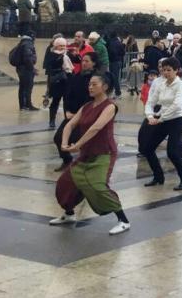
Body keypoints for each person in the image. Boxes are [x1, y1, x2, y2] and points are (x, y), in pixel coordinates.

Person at [49, 73, 131, 235]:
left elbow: (96, 128)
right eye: (89, 84)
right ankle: (69, 214)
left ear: (105, 87)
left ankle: (123, 220)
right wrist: (65, 143)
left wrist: (77, 145)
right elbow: (70, 124)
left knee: (98, 186)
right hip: (86, 153)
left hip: (104, 153)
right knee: (65, 183)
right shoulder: (86, 106)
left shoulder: (110, 106)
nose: (90, 87)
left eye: (94, 84)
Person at [141, 57, 182, 190]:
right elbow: (151, 101)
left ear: (176, 71)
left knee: (172, 152)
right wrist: (150, 116)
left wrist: (160, 118)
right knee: (148, 148)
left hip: (176, 119)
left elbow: (176, 104)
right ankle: (158, 177)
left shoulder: (181, 85)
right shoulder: (161, 84)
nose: (166, 73)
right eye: (164, 70)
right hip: (162, 118)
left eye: (169, 70)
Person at [56, 52, 97, 170]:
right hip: (71, 115)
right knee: (58, 138)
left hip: (86, 116)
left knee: (81, 139)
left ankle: (86, 163)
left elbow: (92, 99)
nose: (84, 63)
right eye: (83, 61)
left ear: (94, 63)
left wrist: (79, 114)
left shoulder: (96, 79)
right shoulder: (76, 77)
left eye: (87, 61)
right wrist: (67, 111)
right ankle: (67, 159)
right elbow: (67, 94)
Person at [43, 37, 72, 129]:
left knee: (57, 102)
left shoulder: (51, 54)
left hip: (55, 81)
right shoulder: (63, 56)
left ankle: (52, 121)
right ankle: (64, 120)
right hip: (62, 80)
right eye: (60, 46)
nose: (62, 47)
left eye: (64, 45)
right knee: (63, 102)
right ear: (56, 46)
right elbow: (69, 69)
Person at [13, 32, 38, 111]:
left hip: (21, 68)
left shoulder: (22, 43)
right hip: (26, 69)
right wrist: (32, 69)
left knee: (22, 87)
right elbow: (27, 58)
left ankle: (22, 106)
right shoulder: (28, 44)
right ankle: (28, 105)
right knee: (27, 87)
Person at [106, 32, 125, 97]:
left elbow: (111, 52)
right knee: (115, 77)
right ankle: (116, 91)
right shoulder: (119, 42)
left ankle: (117, 92)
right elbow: (123, 52)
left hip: (113, 61)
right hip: (118, 61)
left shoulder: (111, 43)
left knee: (114, 77)